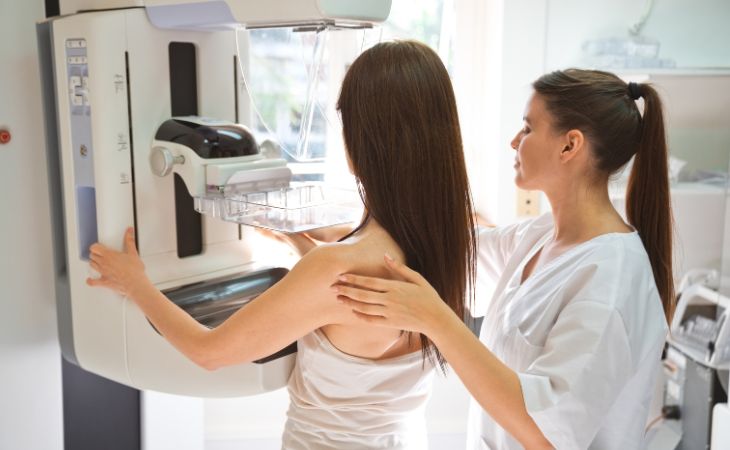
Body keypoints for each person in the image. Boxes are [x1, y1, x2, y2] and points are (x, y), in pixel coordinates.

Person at [86, 40, 477, 449]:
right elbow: (351, 307)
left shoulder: (335, 268)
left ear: (363, 144)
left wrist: (136, 285)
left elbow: (209, 353)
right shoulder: (444, 244)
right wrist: (296, 240)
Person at [334, 69, 673, 450]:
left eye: (528, 129)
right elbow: (453, 252)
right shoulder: (541, 236)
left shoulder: (610, 281)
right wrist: (327, 239)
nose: (514, 141)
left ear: (569, 146)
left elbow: (547, 434)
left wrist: (436, 320)